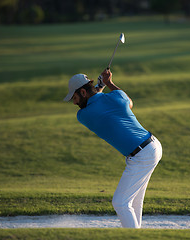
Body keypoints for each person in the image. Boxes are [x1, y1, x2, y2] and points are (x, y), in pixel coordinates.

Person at [63, 69, 162, 228]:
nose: (74, 103)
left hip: (141, 155)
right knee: (134, 200)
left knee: (120, 203)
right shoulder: (116, 97)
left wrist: (100, 86)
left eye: (74, 98)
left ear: (82, 92)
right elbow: (129, 102)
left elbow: (95, 101)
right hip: (152, 146)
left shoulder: (83, 115)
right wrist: (108, 83)